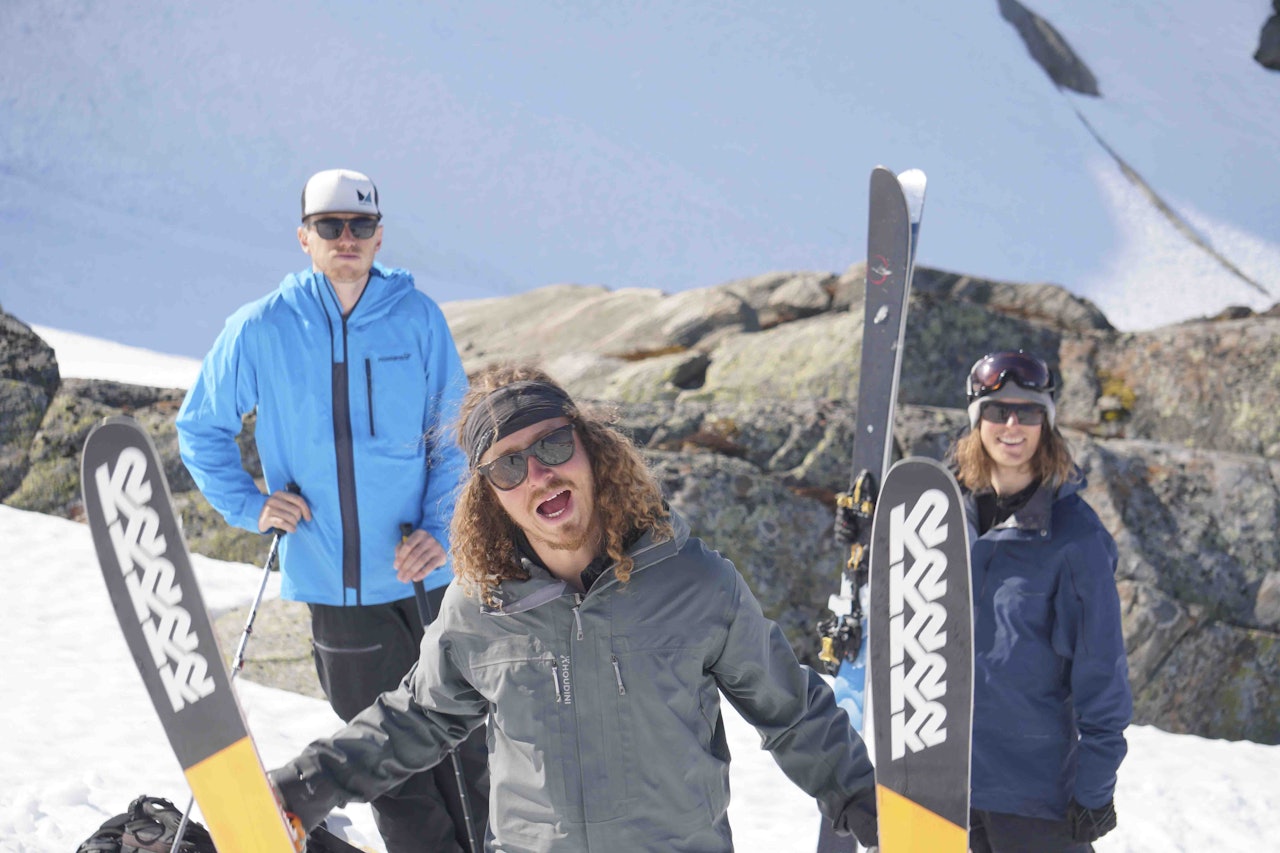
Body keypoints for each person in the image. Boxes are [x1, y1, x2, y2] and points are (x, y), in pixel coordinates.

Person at [268, 363, 881, 852]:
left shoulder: (697, 584)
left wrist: (869, 804)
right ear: (491, 497)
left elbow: (791, 712)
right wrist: (306, 787)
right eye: (509, 465)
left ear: (591, 449)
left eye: (554, 444)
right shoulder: (478, 608)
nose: (538, 473)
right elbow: (414, 721)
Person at [175, 168, 488, 853]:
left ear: (379, 236)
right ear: (304, 237)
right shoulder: (261, 326)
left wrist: (440, 530)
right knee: (393, 773)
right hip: (336, 587)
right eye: (330, 225)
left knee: (470, 751)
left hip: (429, 578)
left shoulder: (418, 317)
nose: (346, 237)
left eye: (360, 225)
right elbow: (200, 426)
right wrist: (251, 505)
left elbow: (455, 433)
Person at [954, 350, 1132, 853]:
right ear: (977, 421)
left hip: (1033, 801)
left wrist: (1094, 789)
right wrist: (869, 539)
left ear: (1046, 424)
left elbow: (1103, 674)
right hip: (941, 789)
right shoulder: (944, 521)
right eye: (996, 410)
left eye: (1028, 412)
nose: (1012, 424)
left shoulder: (1076, 537)